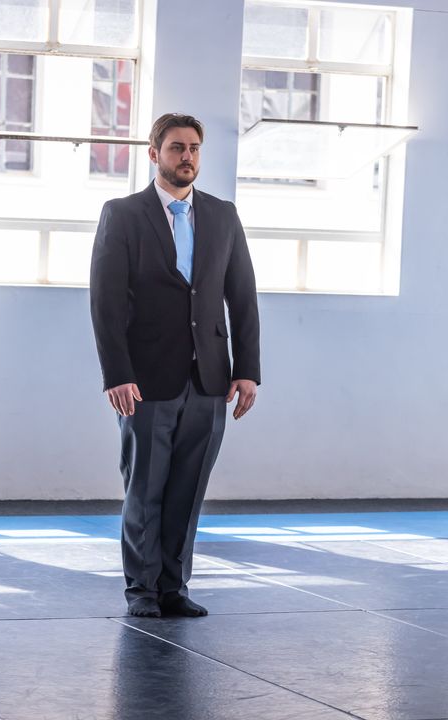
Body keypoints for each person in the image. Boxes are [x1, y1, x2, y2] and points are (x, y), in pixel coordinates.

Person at [90, 112, 261, 618]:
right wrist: (116, 374)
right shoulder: (123, 215)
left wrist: (246, 368)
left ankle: (172, 587)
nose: (187, 157)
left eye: (193, 149)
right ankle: (141, 590)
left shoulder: (224, 216)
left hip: (209, 378)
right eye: (176, 148)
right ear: (154, 154)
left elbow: (243, 297)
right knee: (145, 487)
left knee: (188, 490)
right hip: (144, 380)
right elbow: (105, 301)